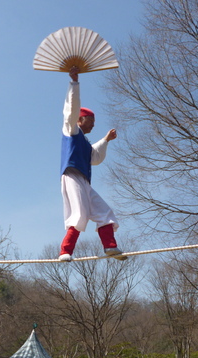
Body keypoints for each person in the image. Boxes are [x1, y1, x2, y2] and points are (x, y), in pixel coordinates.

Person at [58, 66, 125, 262]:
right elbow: (71, 109)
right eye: (91, 120)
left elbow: (94, 158)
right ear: (80, 119)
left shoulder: (84, 143)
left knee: (104, 213)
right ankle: (65, 251)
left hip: (85, 181)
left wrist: (105, 140)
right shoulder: (71, 130)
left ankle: (110, 247)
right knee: (79, 214)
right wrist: (74, 82)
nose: (94, 124)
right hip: (72, 176)